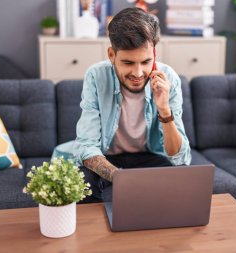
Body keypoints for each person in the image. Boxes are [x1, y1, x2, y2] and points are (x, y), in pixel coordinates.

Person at [73, 7, 191, 201]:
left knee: (178, 181)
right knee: (82, 185)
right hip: (107, 157)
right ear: (111, 55)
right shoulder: (96, 76)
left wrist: (164, 110)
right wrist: (122, 178)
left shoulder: (168, 78)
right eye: (128, 63)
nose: (138, 73)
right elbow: (87, 147)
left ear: (154, 53)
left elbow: (179, 157)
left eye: (146, 62)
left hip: (149, 156)